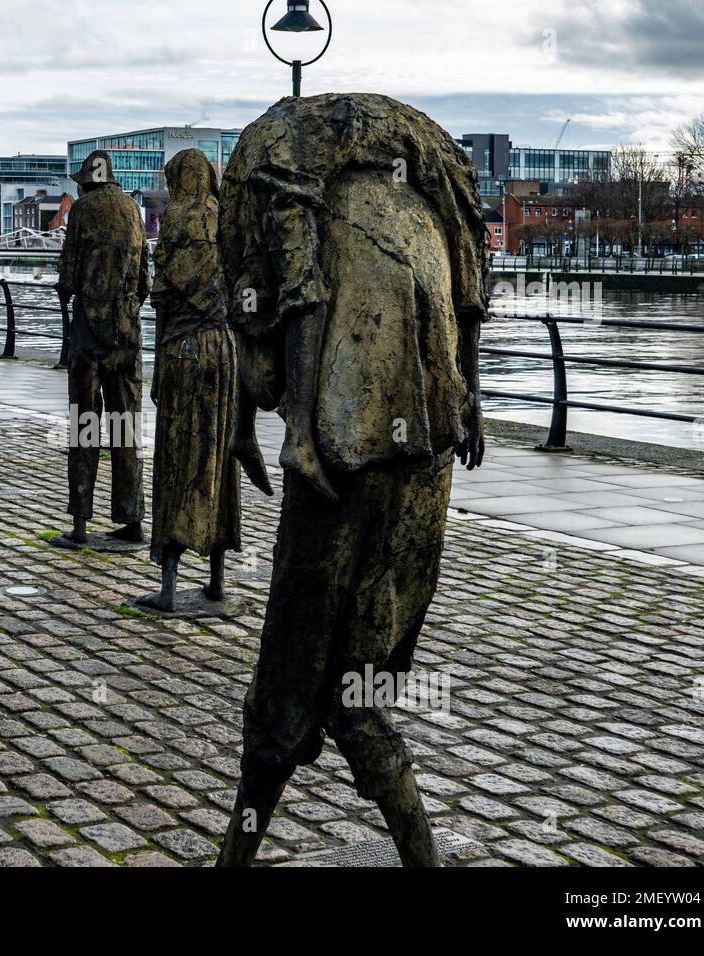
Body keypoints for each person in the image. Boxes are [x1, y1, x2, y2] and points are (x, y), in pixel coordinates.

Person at [214, 93, 487, 868]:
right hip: (426, 453)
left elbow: (281, 320)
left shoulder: (295, 199)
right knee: (362, 694)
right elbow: (469, 300)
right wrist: (472, 401)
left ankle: (235, 858)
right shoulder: (425, 203)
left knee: (286, 688)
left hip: (339, 457)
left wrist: (287, 427)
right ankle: (419, 857)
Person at [145, 149, 247, 610]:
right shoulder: (226, 221)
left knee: (177, 456)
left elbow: (162, 296)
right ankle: (218, 579)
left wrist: (156, 369)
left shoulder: (175, 221)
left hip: (183, 351)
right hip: (222, 351)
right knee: (218, 456)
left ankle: (168, 583)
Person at [57, 149, 150, 545]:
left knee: (85, 424)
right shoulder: (132, 208)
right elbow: (145, 279)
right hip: (127, 334)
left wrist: (68, 289)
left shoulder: (82, 210)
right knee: (126, 425)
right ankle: (131, 518)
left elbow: (69, 275)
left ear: (88, 180)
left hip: (89, 335)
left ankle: (80, 519)